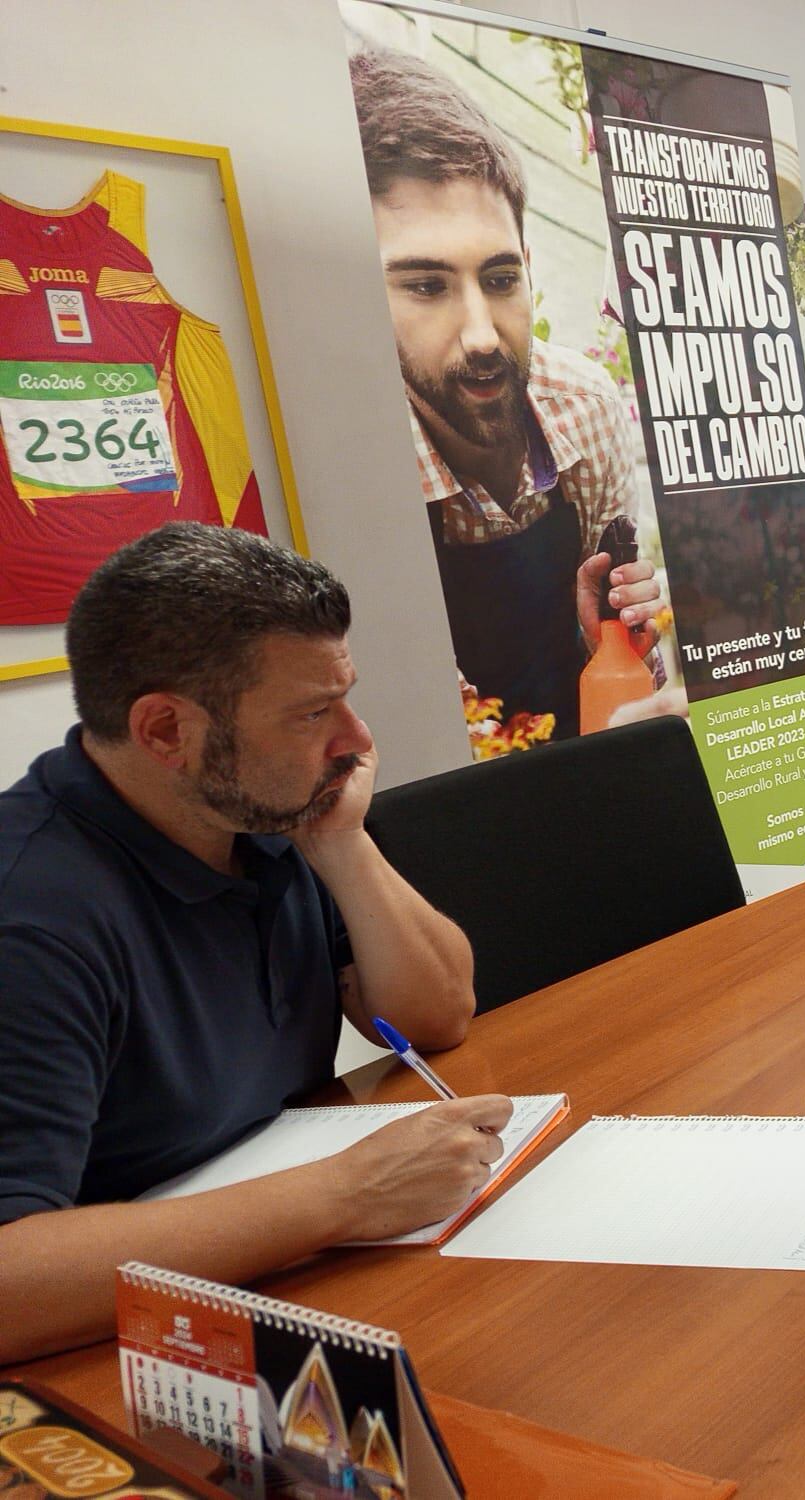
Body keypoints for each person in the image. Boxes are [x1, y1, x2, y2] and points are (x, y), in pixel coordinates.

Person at [0, 524, 505, 1362]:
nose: (355, 738)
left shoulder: (255, 809)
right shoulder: (31, 918)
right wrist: (345, 1194)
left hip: (283, 1280)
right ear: (165, 730)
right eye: (313, 712)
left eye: (344, 695)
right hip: (117, 1358)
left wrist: (343, 848)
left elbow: (437, 1015)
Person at [348, 43, 683, 739]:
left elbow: (627, 681)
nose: (480, 336)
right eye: (426, 286)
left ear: (529, 269)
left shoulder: (585, 410)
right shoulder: (360, 472)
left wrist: (618, 642)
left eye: (500, 280)